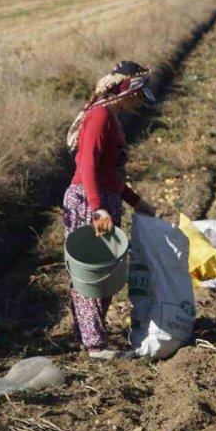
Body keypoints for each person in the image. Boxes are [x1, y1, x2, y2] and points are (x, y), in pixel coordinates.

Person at [64, 61, 157, 360]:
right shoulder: (100, 116)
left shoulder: (110, 117)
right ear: (126, 90)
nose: (140, 101)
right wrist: (97, 209)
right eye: (138, 94)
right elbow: (87, 165)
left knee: (105, 268)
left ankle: (88, 334)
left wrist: (134, 201)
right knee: (95, 270)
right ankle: (95, 345)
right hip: (89, 203)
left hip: (104, 200)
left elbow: (108, 173)